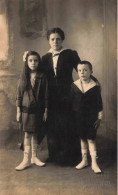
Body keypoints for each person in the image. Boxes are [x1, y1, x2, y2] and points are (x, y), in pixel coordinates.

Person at [42, 27, 82, 164]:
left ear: (62, 39)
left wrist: (93, 82)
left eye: (58, 39)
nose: (55, 41)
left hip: (67, 94)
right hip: (51, 96)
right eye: (52, 39)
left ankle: (70, 157)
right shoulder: (44, 58)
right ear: (49, 41)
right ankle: (54, 155)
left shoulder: (70, 54)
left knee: (67, 124)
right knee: (52, 125)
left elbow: (82, 69)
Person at [15, 51, 48, 171]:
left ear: (39, 62)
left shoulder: (42, 76)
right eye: (30, 60)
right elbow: (18, 96)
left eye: (35, 60)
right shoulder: (23, 77)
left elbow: (45, 95)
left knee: (36, 133)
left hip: (38, 110)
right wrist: (18, 111)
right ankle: (25, 160)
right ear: (26, 62)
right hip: (26, 111)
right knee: (27, 134)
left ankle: (34, 157)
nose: (33, 63)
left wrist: (46, 110)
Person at [71, 61, 103, 173]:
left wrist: (99, 118)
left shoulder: (94, 87)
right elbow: (71, 102)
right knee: (82, 138)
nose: (82, 73)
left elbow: (99, 104)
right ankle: (84, 160)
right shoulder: (74, 85)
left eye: (85, 70)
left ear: (91, 72)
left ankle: (94, 162)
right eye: (79, 70)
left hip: (91, 118)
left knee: (91, 139)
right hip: (78, 117)